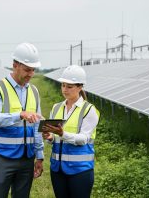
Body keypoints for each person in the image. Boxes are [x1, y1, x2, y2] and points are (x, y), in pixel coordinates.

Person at [0, 42, 44, 198]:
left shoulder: (34, 91)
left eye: (33, 70)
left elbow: (37, 124)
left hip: (27, 158)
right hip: (2, 157)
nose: (31, 74)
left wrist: (39, 155)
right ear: (15, 65)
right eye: (27, 70)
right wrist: (19, 115)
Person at [42, 65, 100, 198]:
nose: (64, 89)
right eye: (63, 85)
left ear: (80, 87)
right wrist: (49, 137)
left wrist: (62, 134)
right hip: (57, 169)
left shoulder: (89, 110)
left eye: (69, 86)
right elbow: (54, 138)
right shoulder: (56, 108)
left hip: (80, 171)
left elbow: (83, 139)